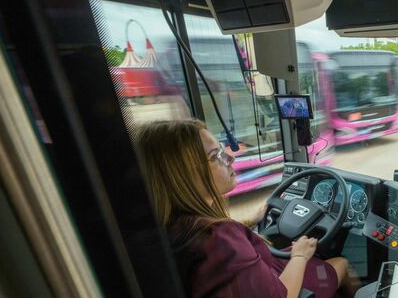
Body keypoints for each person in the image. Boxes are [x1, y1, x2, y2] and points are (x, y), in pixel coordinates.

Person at [134, 119, 354, 298]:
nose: (229, 157)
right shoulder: (219, 240)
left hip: (265, 273)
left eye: (222, 150)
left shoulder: (168, 225)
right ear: (181, 175)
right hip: (282, 286)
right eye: (215, 156)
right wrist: (300, 256)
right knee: (341, 263)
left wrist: (250, 220)